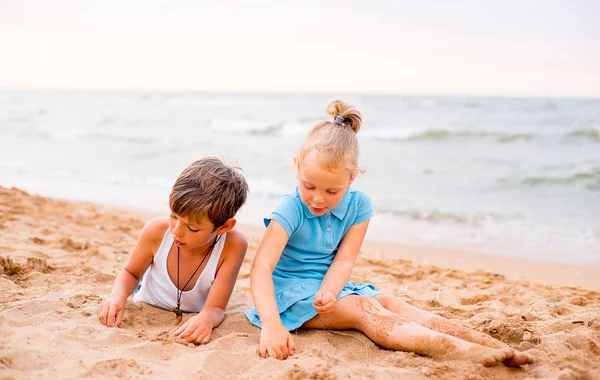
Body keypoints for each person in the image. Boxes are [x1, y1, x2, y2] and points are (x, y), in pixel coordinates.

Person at [246, 100, 534, 367]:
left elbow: (344, 261)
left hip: (330, 288)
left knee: (391, 304)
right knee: (363, 310)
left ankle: (486, 343)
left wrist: (330, 292)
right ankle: (450, 349)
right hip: (287, 297)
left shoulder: (359, 205)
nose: (318, 199)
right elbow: (261, 267)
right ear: (296, 168)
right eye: (309, 186)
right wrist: (272, 324)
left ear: (352, 177)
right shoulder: (291, 208)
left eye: (332, 190)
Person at [98, 157, 249, 345]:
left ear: (224, 226)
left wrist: (206, 319)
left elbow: (216, 308)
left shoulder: (233, 245)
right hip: (147, 298)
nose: (176, 230)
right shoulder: (156, 231)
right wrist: (117, 296)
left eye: (192, 227)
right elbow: (130, 272)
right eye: (173, 216)